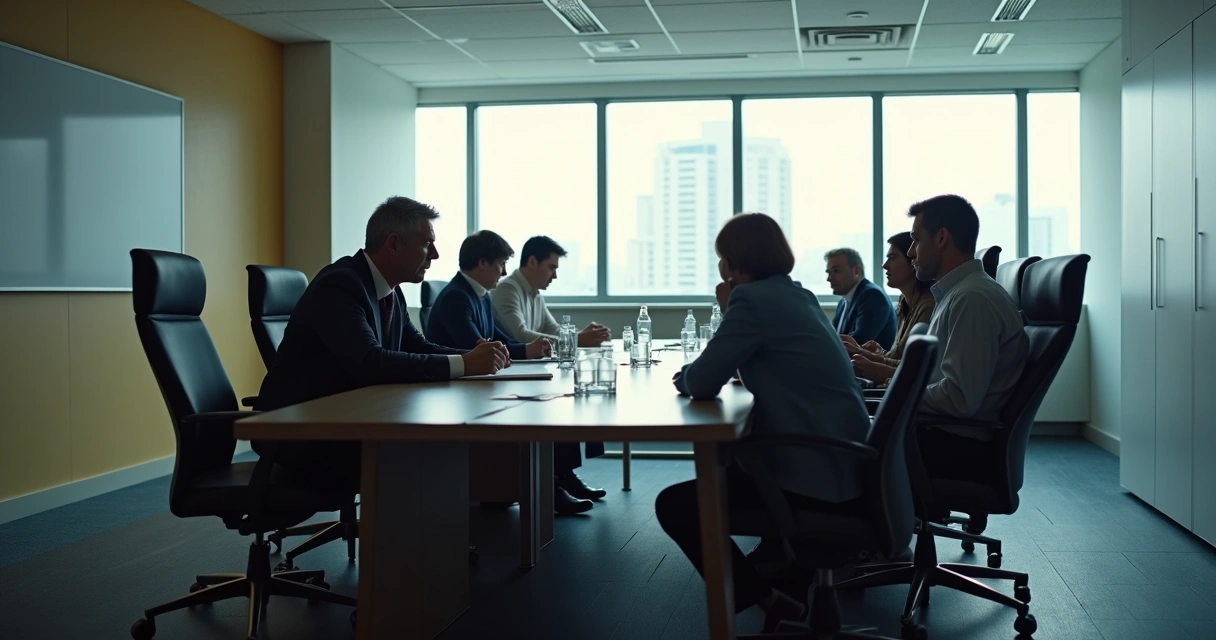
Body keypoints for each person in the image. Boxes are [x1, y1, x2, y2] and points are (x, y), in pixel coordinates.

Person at [654, 213, 872, 632]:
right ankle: (780, 578)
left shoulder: (751, 301)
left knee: (675, 505)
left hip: (814, 473)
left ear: (732, 263)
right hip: (849, 463)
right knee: (732, 458)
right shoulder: (798, 295)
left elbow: (701, 381)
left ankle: (765, 596)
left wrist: (687, 374)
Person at [253, 196, 510, 485]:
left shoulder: (390, 290)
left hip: (347, 418)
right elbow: (369, 361)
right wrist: (464, 363)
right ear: (393, 244)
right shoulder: (340, 285)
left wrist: (477, 356)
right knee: (435, 446)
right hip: (302, 432)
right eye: (427, 243)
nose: (435, 255)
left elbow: (417, 346)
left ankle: (487, 505)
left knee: (445, 439)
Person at [426, 230, 605, 514]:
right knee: (545, 401)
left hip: (479, 382)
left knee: (554, 396)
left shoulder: (480, 295)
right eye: (500, 264)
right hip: (459, 391)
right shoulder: (457, 298)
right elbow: (477, 349)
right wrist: (525, 349)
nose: (504, 271)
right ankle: (549, 485)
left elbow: (501, 341)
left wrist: (528, 349)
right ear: (483, 263)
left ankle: (560, 477)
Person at [906, 194, 1028, 479]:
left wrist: (899, 395)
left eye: (916, 239)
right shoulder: (958, 294)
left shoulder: (971, 299)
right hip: (936, 434)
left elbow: (959, 399)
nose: (911, 251)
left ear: (941, 238)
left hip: (949, 447)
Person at [843, 232, 936, 387]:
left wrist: (862, 354)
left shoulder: (929, 305)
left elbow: (915, 369)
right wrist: (875, 353)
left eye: (892, 258)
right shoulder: (904, 301)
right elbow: (899, 358)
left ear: (913, 262)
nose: (885, 265)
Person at [491, 235, 611, 346]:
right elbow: (520, 335)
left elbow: (553, 329)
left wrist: (581, 336)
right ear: (532, 262)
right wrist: (575, 340)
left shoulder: (535, 294)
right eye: (551, 267)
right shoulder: (507, 289)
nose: (555, 276)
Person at [824, 247, 898, 350]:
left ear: (856, 271)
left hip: (871, 365)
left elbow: (858, 343)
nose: (829, 278)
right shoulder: (843, 302)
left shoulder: (873, 296)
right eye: (828, 272)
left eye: (836, 271)